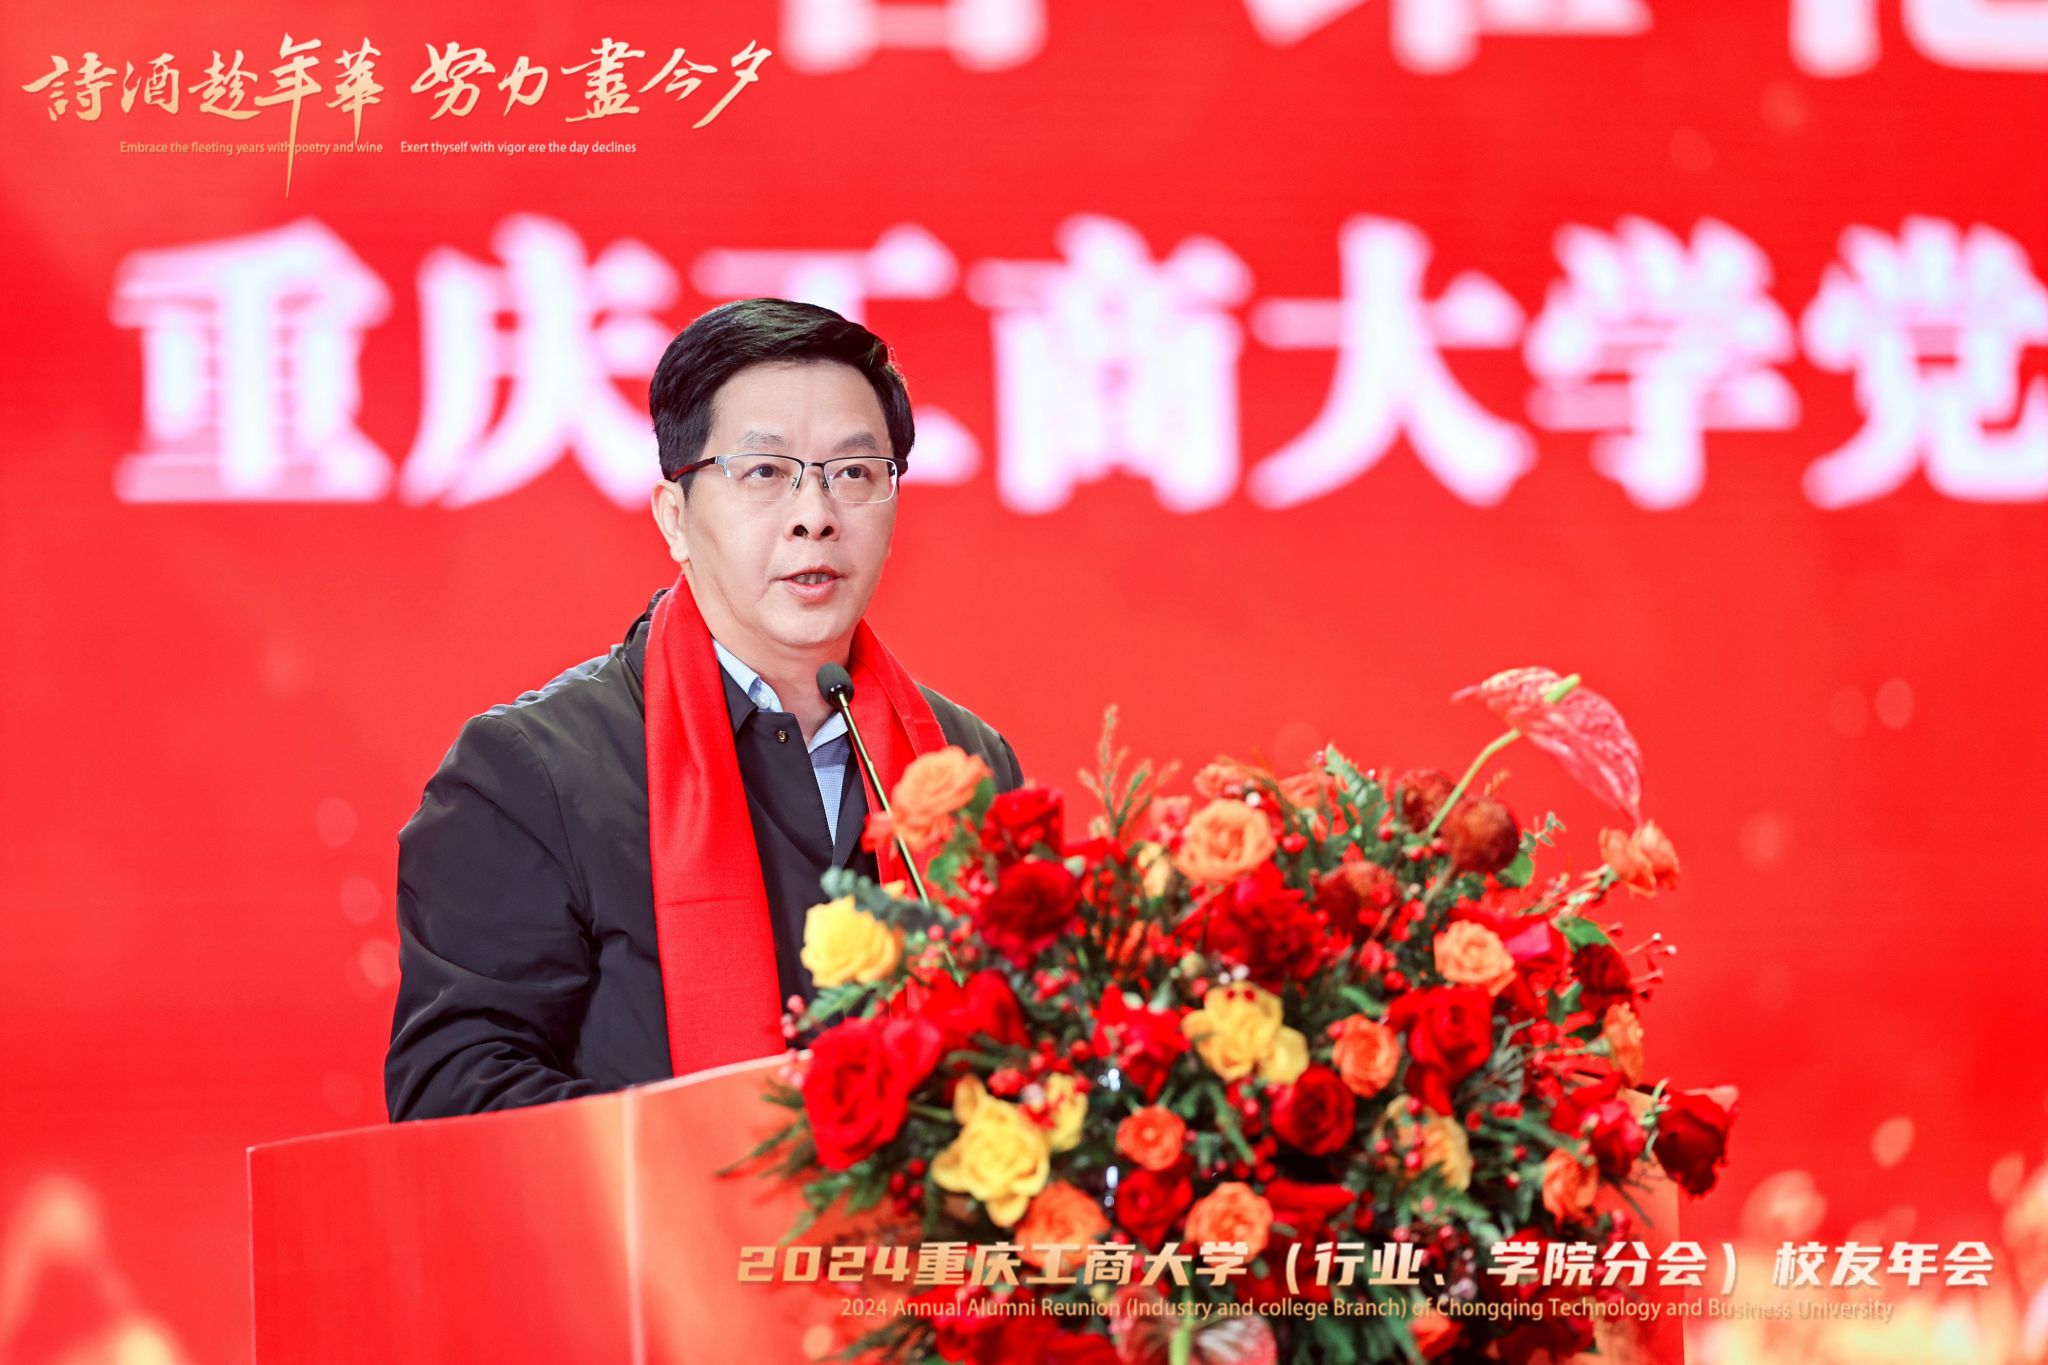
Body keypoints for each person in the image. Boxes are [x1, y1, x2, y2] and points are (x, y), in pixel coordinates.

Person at [384, 299, 1024, 1123]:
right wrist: (750, 1155)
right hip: (665, 1213)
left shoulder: (965, 765)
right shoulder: (530, 773)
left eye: (855, 472)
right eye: (765, 472)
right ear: (676, 518)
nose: (816, 515)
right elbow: (455, 1097)